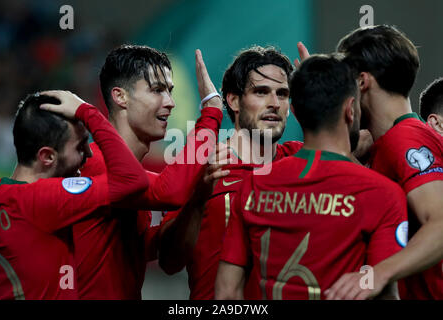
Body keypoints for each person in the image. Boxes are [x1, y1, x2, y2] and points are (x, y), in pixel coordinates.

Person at [215, 54, 408, 300]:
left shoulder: (255, 183)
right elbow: (385, 292)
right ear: (350, 110)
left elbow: (227, 293)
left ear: (295, 110)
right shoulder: (383, 194)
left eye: (283, 94)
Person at [73, 45, 228, 299]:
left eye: (170, 91)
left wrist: (197, 200)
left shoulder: (132, 177)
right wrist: (211, 112)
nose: (171, 103)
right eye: (157, 90)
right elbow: (171, 192)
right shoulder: (97, 163)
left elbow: (169, 260)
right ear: (120, 97)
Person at [158, 46, 304, 300]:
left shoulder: (301, 160)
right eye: (261, 92)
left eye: (283, 94)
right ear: (233, 100)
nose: (274, 103)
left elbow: (364, 142)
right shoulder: (203, 166)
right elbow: (169, 262)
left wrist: (322, 95)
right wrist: (197, 200)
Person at [325, 25, 443, 300]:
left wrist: (377, 274)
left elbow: (440, 223)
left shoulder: (405, 139)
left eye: (343, 83)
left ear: (362, 82)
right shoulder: (390, 141)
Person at [0, 91, 148, 299]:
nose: (89, 152)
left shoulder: (3, 199)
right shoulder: (41, 199)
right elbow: (132, 180)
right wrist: (89, 113)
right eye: (80, 145)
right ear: (47, 156)